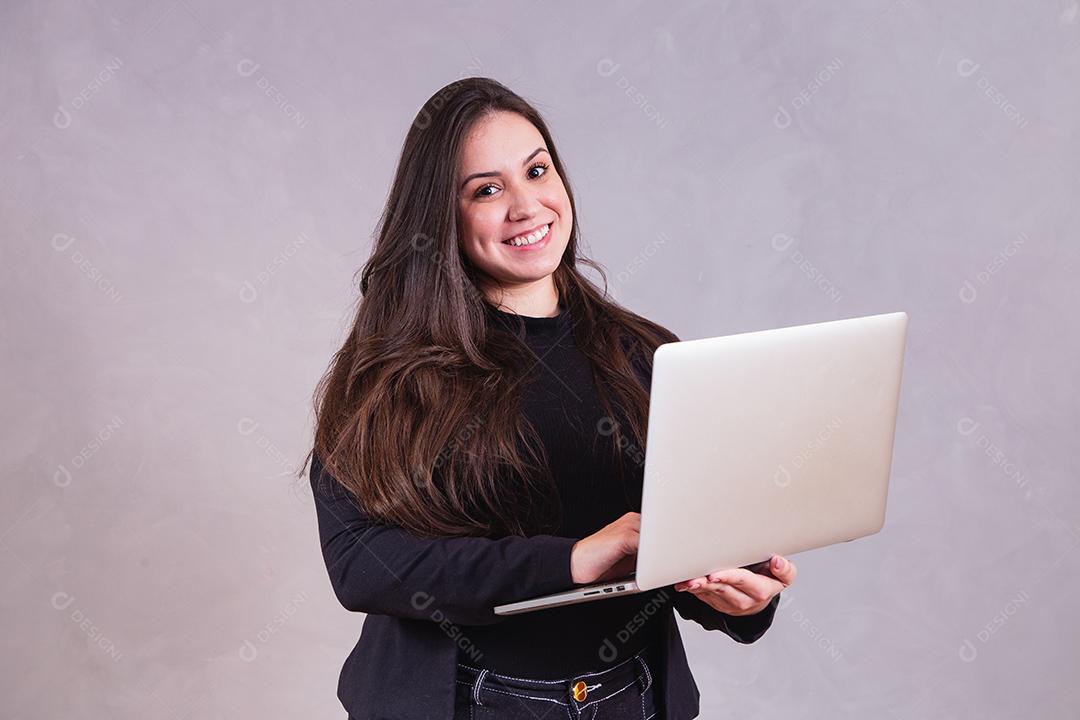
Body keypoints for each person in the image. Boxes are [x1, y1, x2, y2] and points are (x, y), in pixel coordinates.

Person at [305, 77, 797, 720]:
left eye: (537, 171)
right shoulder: (389, 374)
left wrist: (742, 594)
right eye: (487, 189)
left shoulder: (646, 356)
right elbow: (363, 565)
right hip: (463, 703)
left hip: (632, 696)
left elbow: (685, 536)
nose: (526, 205)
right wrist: (571, 558)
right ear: (439, 217)